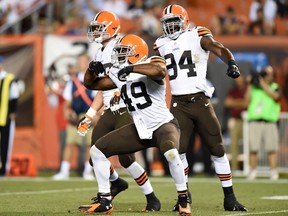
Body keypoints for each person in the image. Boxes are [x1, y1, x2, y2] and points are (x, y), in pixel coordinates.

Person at [78, 34, 191, 215]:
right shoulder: (117, 72)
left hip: (163, 125)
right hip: (140, 128)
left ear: (136, 53)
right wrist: (91, 70)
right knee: (96, 151)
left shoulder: (152, 62)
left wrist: (132, 68)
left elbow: (160, 71)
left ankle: (183, 198)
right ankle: (105, 199)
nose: (119, 55)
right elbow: (92, 85)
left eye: (124, 51)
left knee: (170, 152)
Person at [153, 4, 248, 212]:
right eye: (166, 24)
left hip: (201, 101)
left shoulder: (197, 34)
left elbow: (217, 47)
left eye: (174, 22)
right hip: (178, 103)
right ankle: (184, 196)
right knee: (178, 153)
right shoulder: (160, 43)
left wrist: (230, 61)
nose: (170, 28)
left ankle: (229, 197)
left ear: (185, 21)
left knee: (217, 149)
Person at [76, 10, 161, 211]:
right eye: (95, 28)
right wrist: (89, 115)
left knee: (126, 157)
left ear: (111, 28)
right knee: (94, 157)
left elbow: (127, 78)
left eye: (99, 28)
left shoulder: (123, 45)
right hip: (108, 109)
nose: (96, 32)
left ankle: (151, 197)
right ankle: (116, 183)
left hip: (125, 106)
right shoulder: (99, 52)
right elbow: (101, 88)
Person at [52, 53, 100, 180]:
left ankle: (87, 171)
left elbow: (98, 99)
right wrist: (67, 112)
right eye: (79, 61)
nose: (80, 64)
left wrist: (97, 115)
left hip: (89, 115)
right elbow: (67, 100)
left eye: (83, 61)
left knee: (89, 145)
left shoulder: (94, 80)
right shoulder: (73, 81)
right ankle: (64, 171)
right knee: (69, 142)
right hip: (75, 115)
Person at [246, 65, 281, 180]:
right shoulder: (254, 87)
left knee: (272, 148)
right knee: (253, 148)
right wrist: (250, 84)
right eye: (266, 74)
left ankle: (273, 171)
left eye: (269, 74)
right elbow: (247, 100)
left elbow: (276, 96)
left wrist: (262, 84)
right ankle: (253, 171)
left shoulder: (275, 87)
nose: (268, 76)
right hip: (255, 120)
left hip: (269, 121)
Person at [0, 55, 19, 176]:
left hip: (5, 115)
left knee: (5, 142)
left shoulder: (9, 78)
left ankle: (3, 169)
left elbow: (14, 96)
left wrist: (13, 112)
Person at [224, 75, 248, 172]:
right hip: (235, 119)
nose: (238, 80)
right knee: (233, 145)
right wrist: (241, 103)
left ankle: (249, 167)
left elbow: (247, 103)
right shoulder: (232, 91)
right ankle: (234, 168)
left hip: (246, 120)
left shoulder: (247, 89)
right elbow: (227, 103)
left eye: (240, 78)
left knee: (248, 144)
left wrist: (236, 103)